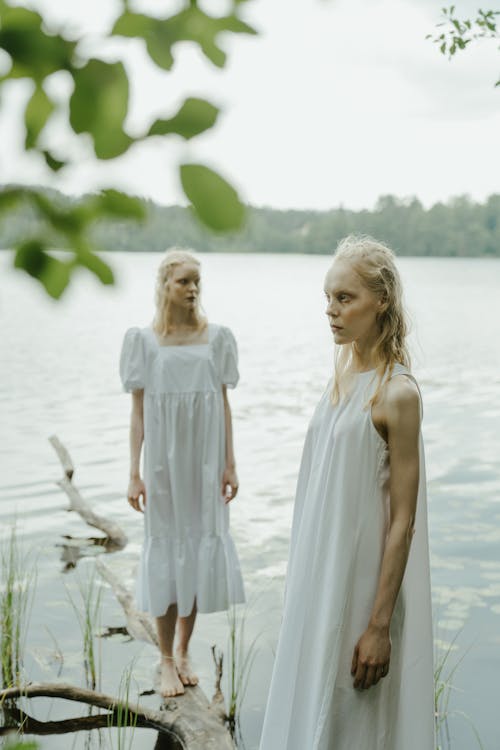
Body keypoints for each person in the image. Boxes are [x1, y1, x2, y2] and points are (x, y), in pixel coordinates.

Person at [259, 236, 434, 750]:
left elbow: (404, 520)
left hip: (362, 593)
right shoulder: (341, 377)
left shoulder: (397, 393)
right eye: (328, 299)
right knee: (311, 706)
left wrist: (379, 625)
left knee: (353, 722)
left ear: (381, 301)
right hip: (322, 578)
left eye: (345, 299)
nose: (331, 312)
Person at [119, 248, 245, 698]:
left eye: (197, 282)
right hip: (163, 467)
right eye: (184, 281)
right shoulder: (144, 341)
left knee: (196, 551)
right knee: (168, 552)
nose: (192, 289)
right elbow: (137, 416)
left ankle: (185, 649)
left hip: (206, 464)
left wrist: (230, 463)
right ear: (164, 286)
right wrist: (134, 473)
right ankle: (167, 660)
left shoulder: (217, 338)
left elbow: (224, 404)